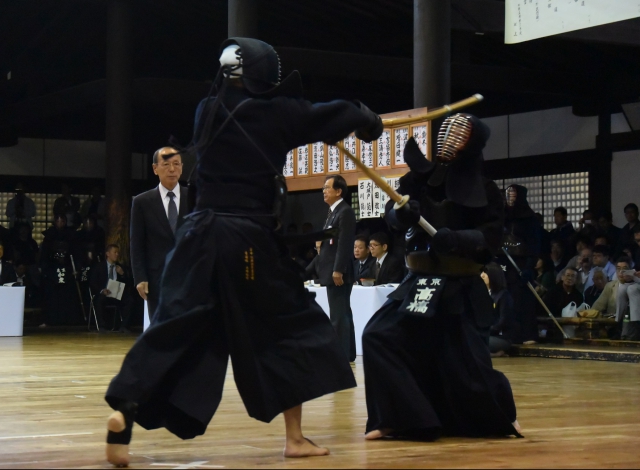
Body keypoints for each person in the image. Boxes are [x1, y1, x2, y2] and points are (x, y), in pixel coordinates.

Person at [104, 37, 383, 466]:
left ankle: (125, 406)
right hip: (246, 239)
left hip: (196, 236)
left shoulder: (206, 111)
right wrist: (367, 120)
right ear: (264, 75)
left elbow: (306, 120)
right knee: (289, 326)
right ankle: (294, 438)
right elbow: (334, 113)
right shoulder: (279, 112)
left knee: (174, 323)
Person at [363, 114, 520, 442]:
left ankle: (500, 416)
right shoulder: (421, 178)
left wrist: (459, 239)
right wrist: (400, 214)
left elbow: (490, 237)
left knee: (470, 365)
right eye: (447, 132)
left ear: (472, 144)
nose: (449, 139)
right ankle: (400, 417)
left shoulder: (486, 190)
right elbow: (392, 214)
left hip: (459, 284)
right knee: (379, 336)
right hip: (420, 282)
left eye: (459, 135)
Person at [130, 146, 189, 320]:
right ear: (155, 168)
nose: (172, 169)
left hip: (189, 275)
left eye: (176, 164)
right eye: (166, 164)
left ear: (182, 167)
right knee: (161, 327)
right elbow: (137, 242)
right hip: (156, 277)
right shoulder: (142, 202)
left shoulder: (194, 197)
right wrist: (140, 277)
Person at [314, 175, 357, 362]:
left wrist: (338, 269)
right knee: (342, 313)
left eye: (327, 187)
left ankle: (341, 355)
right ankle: (347, 353)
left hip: (338, 271)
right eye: (323, 188)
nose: (324, 191)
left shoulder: (344, 211)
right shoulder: (333, 212)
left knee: (339, 315)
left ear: (338, 191)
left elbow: (345, 244)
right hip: (332, 269)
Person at [499, 184, 540, 344]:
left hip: (521, 263)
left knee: (521, 299)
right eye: (508, 195)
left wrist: (529, 266)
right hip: (504, 261)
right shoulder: (503, 216)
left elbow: (534, 244)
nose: (510, 199)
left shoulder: (529, 219)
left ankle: (527, 334)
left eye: (514, 195)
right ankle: (508, 334)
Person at [90, 244, 135, 333]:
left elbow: (129, 283)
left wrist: (122, 274)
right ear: (108, 254)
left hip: (117, 294)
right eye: (115, 252)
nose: (117, 254)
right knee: (99, 300)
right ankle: (102, 326)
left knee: (130, 300)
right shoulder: (99, 267)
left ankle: (124, 326)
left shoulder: (120, 267)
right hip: (104, 294)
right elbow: (92, 283)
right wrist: (102, 290)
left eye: (118, 252)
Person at [482, 262, 516, 357]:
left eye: (485, 273)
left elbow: (503, 321)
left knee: (475, 342)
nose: (482, 275)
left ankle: (493, 354)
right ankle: (492, 355)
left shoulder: (503, 295)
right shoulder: (485, 294)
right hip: (487, 334)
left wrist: (486, 331)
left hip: (501, 337)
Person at [615, 256, 640, 341]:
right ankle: (618, 321)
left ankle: (635, 323)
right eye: (619, 269)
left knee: (632, 289)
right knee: (622, 289)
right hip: (624, 315)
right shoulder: (612, 285)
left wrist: (635, 278)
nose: (621, 272)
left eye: (624, 269)